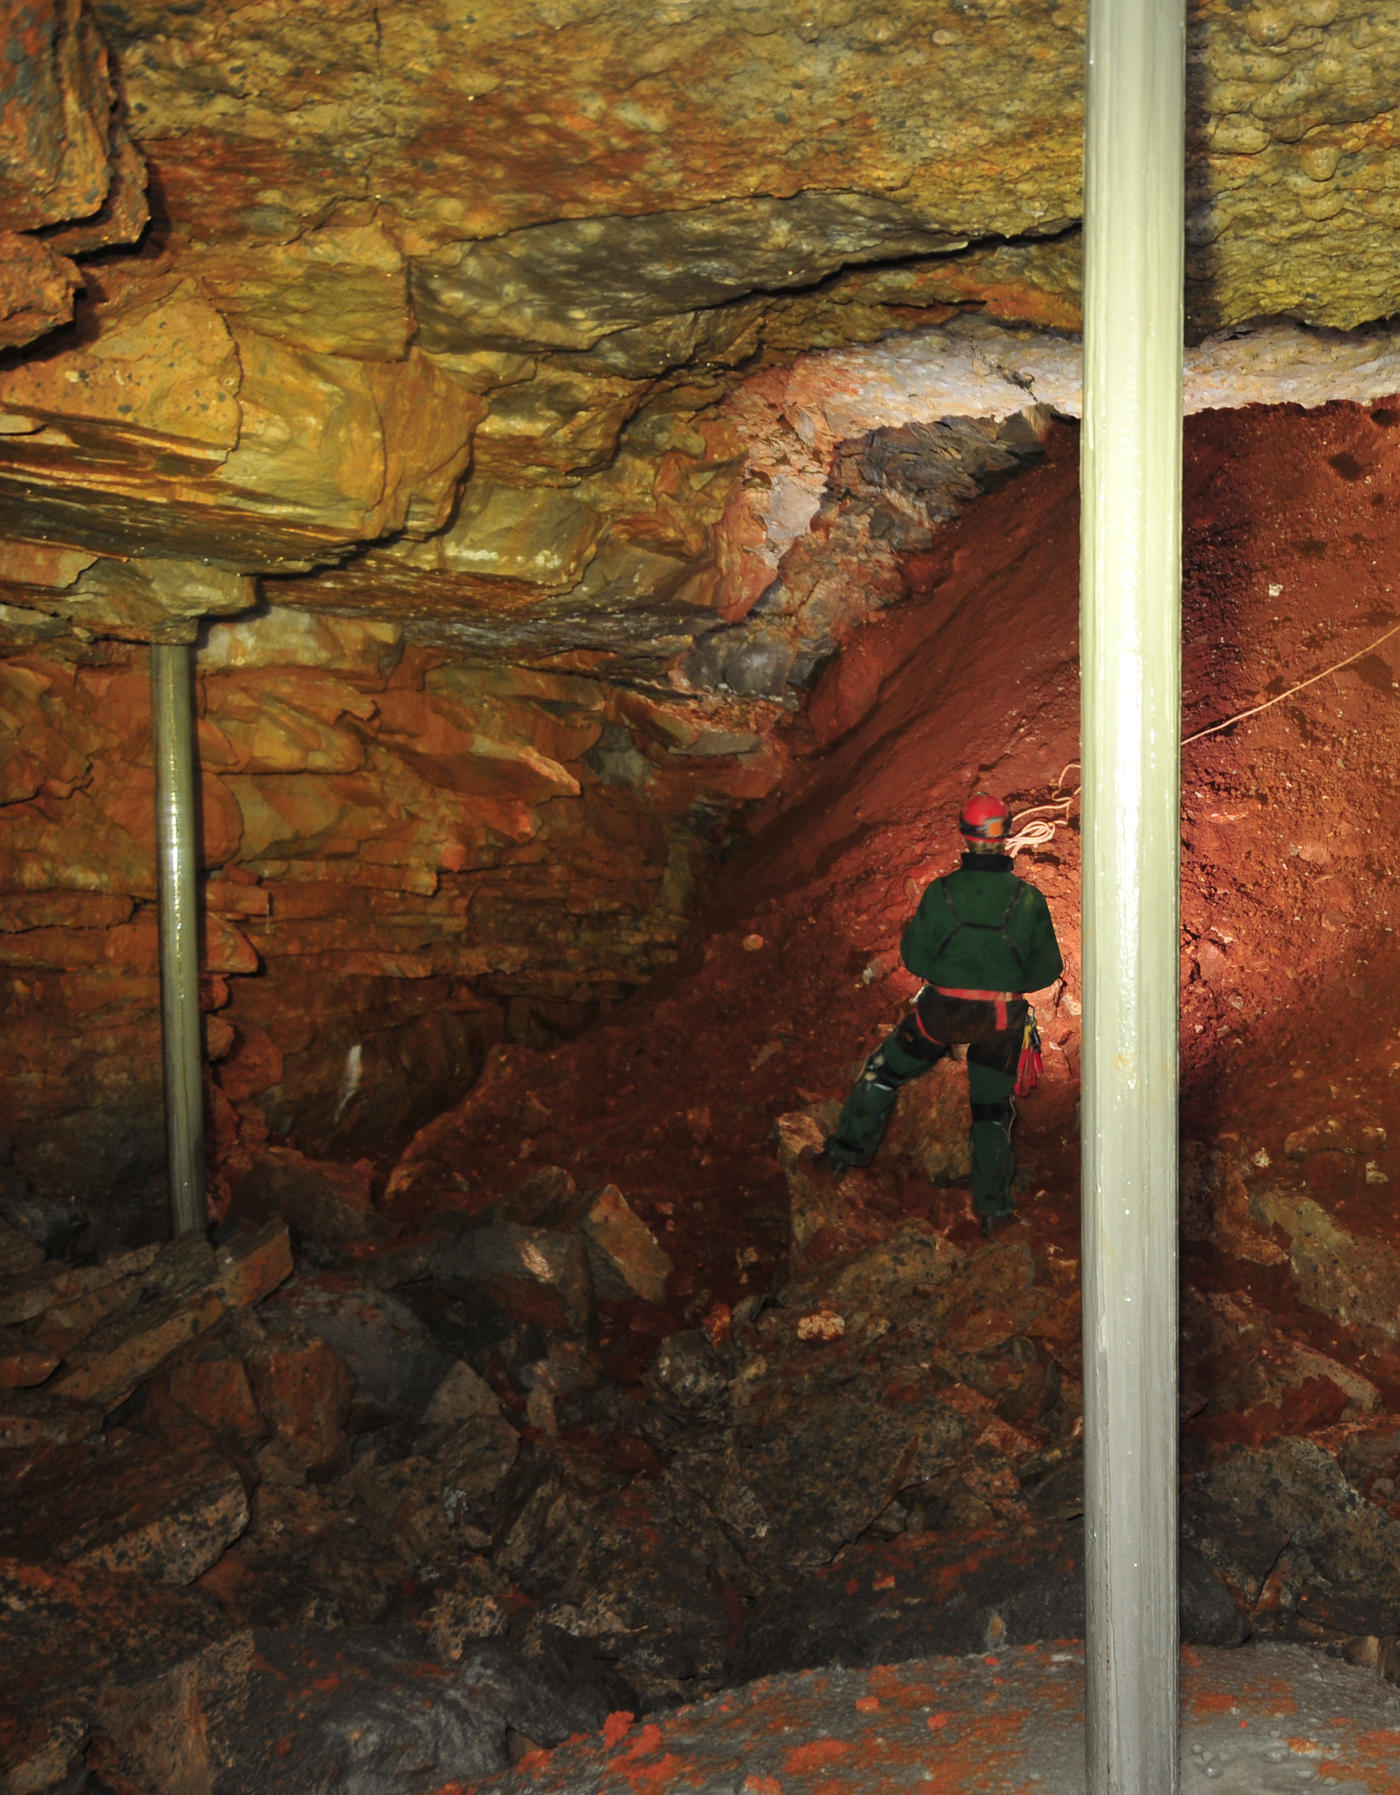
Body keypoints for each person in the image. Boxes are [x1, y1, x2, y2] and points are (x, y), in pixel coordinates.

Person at [812, 793, 1063, 1235]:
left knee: (881, 1074)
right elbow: (1046, 971)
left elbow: (915, 958)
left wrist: (952, 973)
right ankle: (995, 1212)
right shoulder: (1027, 900)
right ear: (1005, 834)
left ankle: (841, 1156)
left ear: (965, 835)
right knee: (991, 1112)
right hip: (1001, 1019)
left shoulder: (941, 893)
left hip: (941, 1014)